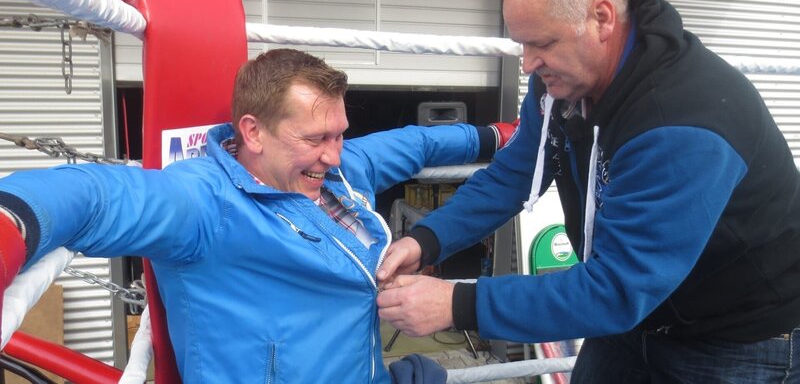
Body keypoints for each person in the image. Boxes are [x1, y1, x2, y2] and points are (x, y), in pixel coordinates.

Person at [376, 0, 800, 383]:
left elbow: (618, 288)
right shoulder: (563, 83)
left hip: (734, 335)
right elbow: (516, 172)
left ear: (602, 18)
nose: (527, 65)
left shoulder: (680, 121)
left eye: (541, 43)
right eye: (521, 45)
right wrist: (427, 239)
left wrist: (456, 303)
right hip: (634, 315)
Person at [0, 48, 515, 383]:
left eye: (338, 133)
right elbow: (95, 197)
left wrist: (497, 138)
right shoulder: (207, 204)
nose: (334, 153)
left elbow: (414, 142)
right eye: (315, 139)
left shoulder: (336, 171)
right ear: (252, 132)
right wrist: (10, 227)